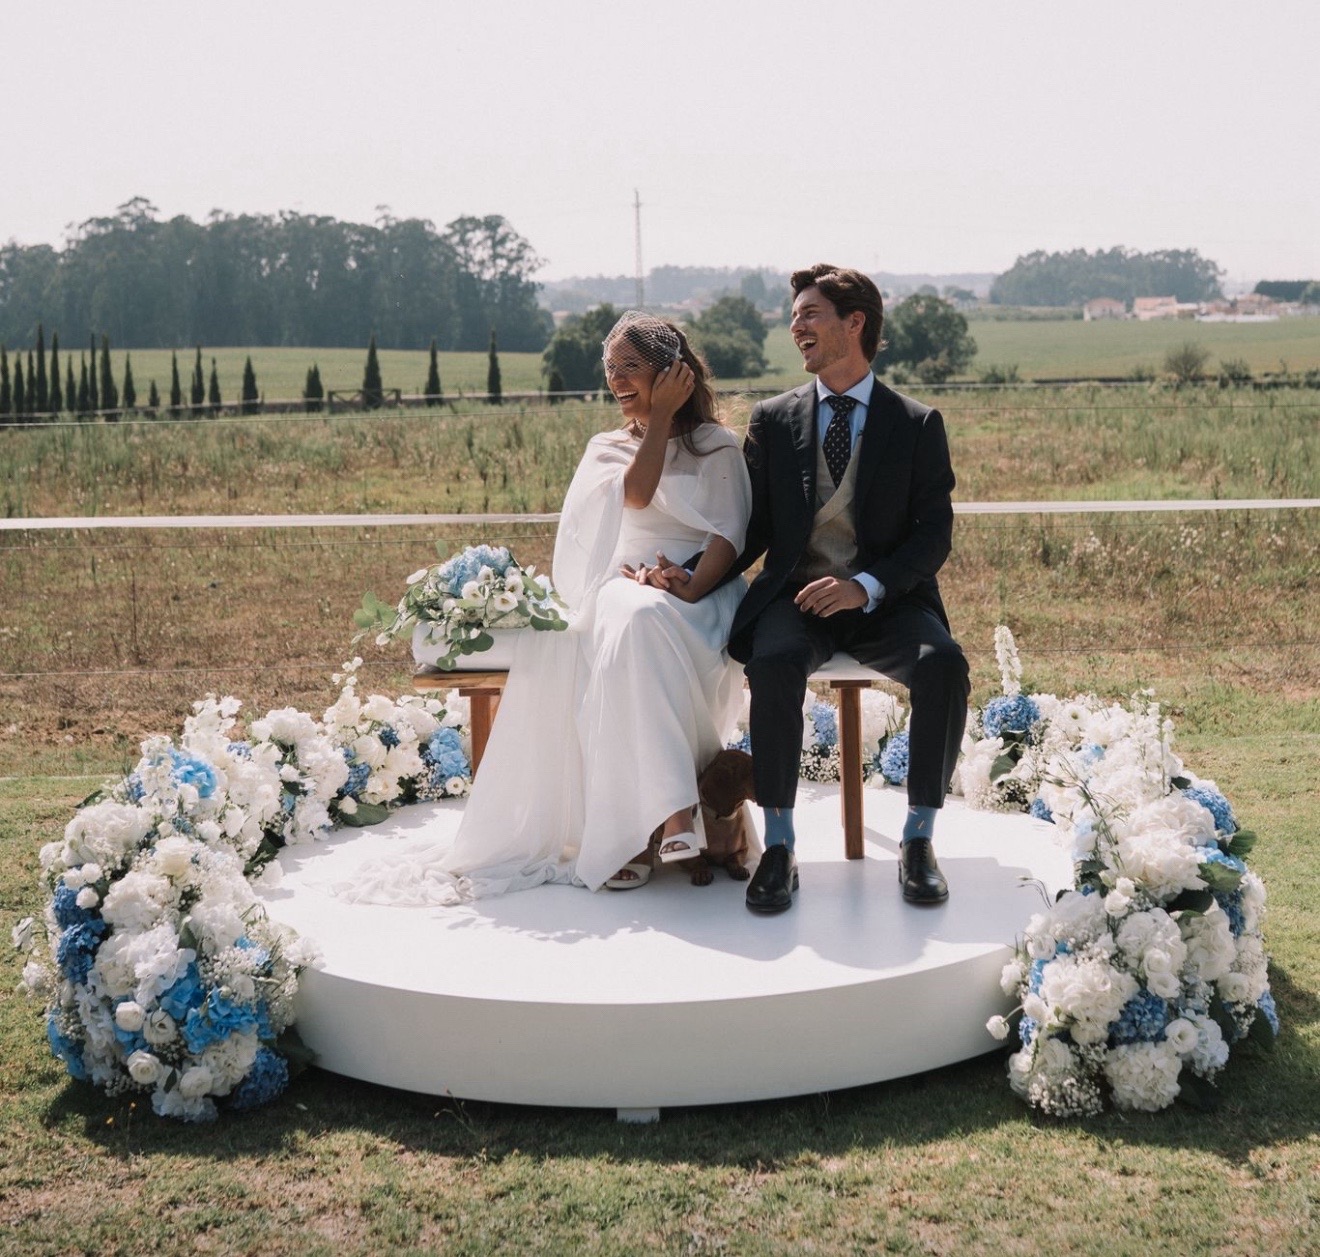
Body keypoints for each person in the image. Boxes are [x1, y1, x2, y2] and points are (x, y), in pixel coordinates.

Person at [341, 312, 752, 903]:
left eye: (630, 367)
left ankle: (655, 822)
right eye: (609, 368)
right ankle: (675, 813)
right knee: (631, 618)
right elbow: (634, 496)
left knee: (645, 622)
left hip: (701, 596)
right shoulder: (608, 448)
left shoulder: (718, 445)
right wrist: (658, 417)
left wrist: (686, 584)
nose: (615, 380)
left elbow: (729, 535)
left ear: (671, 372)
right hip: (624, 582)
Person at [652, 264, 968, 913]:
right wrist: (692, 571)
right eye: (794, 315)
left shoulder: (916, 424)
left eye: (809, 314)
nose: (795, 326)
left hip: (887, 603)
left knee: (945, 665)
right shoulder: (774, 419)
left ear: (855, 323)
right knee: (771, 661)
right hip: (796, 599)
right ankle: (780, 846)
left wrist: (866, 586)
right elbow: (749, 528)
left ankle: (917, 842)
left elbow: (933, 535)